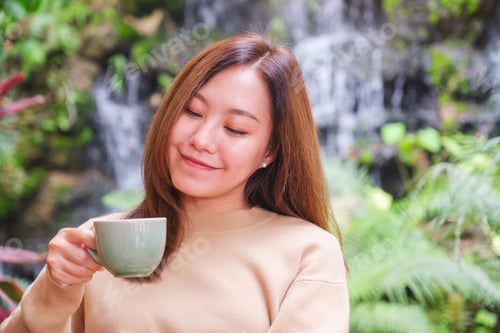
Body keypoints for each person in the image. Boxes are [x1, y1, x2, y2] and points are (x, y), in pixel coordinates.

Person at [0, 32, 349, 332]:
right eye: (193, 112)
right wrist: (57, 286)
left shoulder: (307, 252)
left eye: (235, 129)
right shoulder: (98, 242)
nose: (202, 139)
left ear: (270, 151)